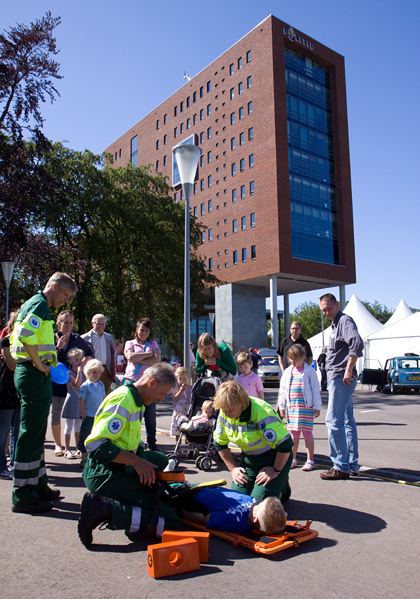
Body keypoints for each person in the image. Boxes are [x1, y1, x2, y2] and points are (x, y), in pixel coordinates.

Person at [77, 363, 181, 548]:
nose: (161, 399)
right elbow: (96, 445)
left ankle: (138, 499)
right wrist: (137, 463)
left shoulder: (138, 400)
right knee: (170, 523)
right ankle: (103, 509)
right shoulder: (123, 400)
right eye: (162, 394)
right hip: (104, 472)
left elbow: (131, 443)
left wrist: (141, 462)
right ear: (152, 383)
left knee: (160, 460)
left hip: (119, 464)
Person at [10, 272, 77, 513]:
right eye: (65, 295)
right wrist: (39, 364)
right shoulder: (39, 305)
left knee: (37, 434)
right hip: (32, 373)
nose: (65, 301)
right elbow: (26, 336)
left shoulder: (37, 305)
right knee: (30, 434)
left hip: (34, 374)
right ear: (55, 286)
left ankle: (38, 484)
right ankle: (23, 494)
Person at [213, 381, 294, 501]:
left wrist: (276, 470)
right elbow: (220, 443)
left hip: (274, 458)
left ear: (241, 403)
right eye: (223, 409)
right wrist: (233, 469)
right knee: (236, 500)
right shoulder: (224, 411)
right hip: (250, 461)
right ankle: (272, 485)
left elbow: (285, 445)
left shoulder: (261, 411)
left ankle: (281, 486)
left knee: (257, 505)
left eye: (230, 409)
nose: (226, 413)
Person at [318, 293, 364, 480]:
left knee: (333, 421)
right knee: (347, 421)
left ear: (337, 304)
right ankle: (351, 463)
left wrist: (348, 370)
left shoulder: (344, 321)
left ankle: (340, 465)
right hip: (339, 377)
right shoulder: (336, 323)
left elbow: (356, 343)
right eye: (323, 310)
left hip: (340, 377)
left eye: (329, 308)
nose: (327, 312)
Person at [50, 310, 93, 456]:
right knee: (56, 412)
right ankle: (58, 445)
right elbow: (46, 359)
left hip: (74, 382)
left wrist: (82, 366)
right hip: (57, 382)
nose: (68, 325)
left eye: (71, 322)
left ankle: (77, 447)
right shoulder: (52, 337)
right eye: (65, 322)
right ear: (59, 323)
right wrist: (58, 348)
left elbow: (89, 353)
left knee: (75, 415)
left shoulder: (76, 339)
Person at [278, 344, 322, 471]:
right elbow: (283, 390)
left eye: (295, 359)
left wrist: (317, 406)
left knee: (307, 433)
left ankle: (310, 460)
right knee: (294, 434)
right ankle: (293, 458)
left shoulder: (309, 372)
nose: (293, 361)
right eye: (290, 359)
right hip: (292, 408)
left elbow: (315, 390)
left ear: (303, 357)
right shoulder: (287, 372)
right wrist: (282, 406)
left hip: (306, 407)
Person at [181, 487, 287, 535]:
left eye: (259, 504)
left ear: (255, 519)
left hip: (195, 495)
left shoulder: (230, 520)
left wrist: (180, 512)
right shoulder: (255, 508)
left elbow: (202, 518)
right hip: (212, 489)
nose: (258, 500)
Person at [123, 318, 161, 451]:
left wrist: (140, 358)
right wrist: (149, 355)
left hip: (149, 383)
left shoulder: (153, 343)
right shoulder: (130, 343)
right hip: (132, 381)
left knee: (149, 415)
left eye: (146, 330)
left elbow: (156, 361)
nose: (143, 332)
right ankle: (130, 440)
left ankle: (152, 443)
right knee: (131, 413)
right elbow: (130, 357)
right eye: (141, 330)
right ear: (137, 330)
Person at [0, 312, 20, 480]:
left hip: (18, 390)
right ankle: (1, 465)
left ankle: (14, 464)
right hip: (5, 388)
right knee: (3, 430)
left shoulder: (24, 343)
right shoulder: (5, 340)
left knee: (17, 430)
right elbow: (12, 365)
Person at [77, 359, 106, 467]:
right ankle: (84, 457)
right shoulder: (85, 385)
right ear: (88, 372)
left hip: (99, 416)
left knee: (97, 436)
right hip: (89, 415)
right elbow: (81, 400)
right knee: (85, 435)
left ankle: (94, 456)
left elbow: (103, 399)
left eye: (99, 372)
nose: (97, 375)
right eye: (94, 372)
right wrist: (84, 414)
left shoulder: (101, 384)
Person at [81, 314, 115, 395]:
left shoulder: (109, 337)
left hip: (106, 370)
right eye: (98, 324)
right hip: (92, 371)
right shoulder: (84, 338)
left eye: (103, 324)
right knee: (92, 395)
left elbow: (113, 354)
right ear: (92, 324)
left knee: (105, 395)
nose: (101, 326)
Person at [61, 348, 84, 459]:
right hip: (71, 400)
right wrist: (79, 371)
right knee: (69, 425)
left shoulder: (84, 372)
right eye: (76, 359)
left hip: (80, 401)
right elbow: (77, 384)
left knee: (78, 426)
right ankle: (67, 449)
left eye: (80, 359)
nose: (79, 361)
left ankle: (78, 448)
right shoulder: (69, 373)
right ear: (70, 361)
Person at [170, 366, 192, 449]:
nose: (182, 381)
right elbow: (174, 398)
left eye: (184, 379)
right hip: (178, 412)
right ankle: (178, 446)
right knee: (177, 431)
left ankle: (186, 447)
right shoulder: (175, 388)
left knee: (187, 430)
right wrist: (181, 391)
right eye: (180, 379)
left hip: (186, 412)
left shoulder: (190, 388)